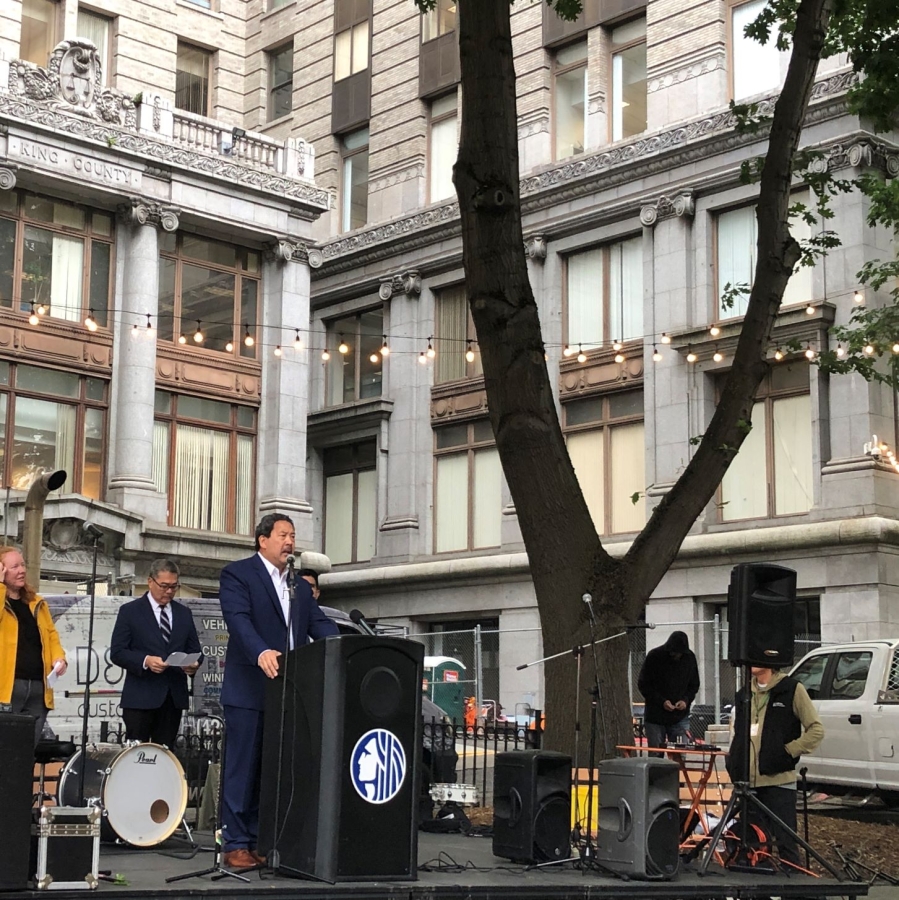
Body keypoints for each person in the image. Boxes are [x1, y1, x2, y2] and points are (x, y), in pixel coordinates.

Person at [218, 514, 338, 871]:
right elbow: (238, 619)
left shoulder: (297, 586)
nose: (290, 541)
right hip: (249, 690)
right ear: (262, 540)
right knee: (243, 769)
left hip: (288, 692)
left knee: (273, 771)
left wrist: (348, 644)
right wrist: (260, 651)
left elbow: (318, 624)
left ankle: (261, 839)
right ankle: (235, 841)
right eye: (283, 535)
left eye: (293, 535)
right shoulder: (238, 574)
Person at [726, 665, 824, 867]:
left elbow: (816, 730)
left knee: (786, 843)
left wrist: (788, 751)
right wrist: (734, 760)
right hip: (747, 782)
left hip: (778, 781)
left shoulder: (792, 689)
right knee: (753, 844)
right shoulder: (744, 694)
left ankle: (794, 889)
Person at [109, 558, 203, 748]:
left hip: (172, 697)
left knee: (164, 754)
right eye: (164, 586)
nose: (169, 591)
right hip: (140, 697)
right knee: (136, 755)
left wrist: (193, 664)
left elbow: (195, 650)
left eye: (174, 587)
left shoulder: (184, 613)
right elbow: (117, 652)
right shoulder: (130, 611)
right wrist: (145, 660)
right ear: (150, 582)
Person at [0, 545, 67, 747]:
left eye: (22, 565)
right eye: (14, 567)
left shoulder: (37, 602)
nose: (21, 570)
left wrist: (59, 658)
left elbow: (51, 635)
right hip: (7, 688)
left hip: (38, 688)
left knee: (25, 753)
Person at [637, 630, 700, 751]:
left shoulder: (689, 658)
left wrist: (685, 700)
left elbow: (694, 685)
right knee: (656, 754)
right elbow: (644, 684)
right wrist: (661, 701)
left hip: (679, 716)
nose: (676, 656)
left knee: (679, 754)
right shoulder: (654, 656)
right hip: (655, 716)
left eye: (679, 653)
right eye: (674, 653)